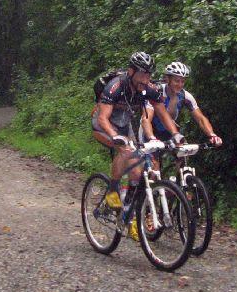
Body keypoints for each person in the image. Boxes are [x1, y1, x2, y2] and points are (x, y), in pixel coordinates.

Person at [92, 52, 183, 219]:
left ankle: (128, 207)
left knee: (137, 169)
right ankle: (112, 194)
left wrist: (175, 134)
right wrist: (114, 135)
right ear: (131, 71)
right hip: (103, 125)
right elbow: (103, 118)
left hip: (123, 125)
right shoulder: (116, 86)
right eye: (142, 73)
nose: (145, 79)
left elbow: (163, 114)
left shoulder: (148, 89)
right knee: (125, 149)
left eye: (148, 74)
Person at [140, 61, 223, 148]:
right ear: (168, 79)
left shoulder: (185, 96)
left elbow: (201, 118)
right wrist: (152, 138)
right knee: (153, 160)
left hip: (169, 131)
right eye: (177, 81)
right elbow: (146, 119)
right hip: (149, 131)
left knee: (184, 153)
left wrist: (212, 135)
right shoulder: (156, 93)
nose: (180, 85)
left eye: (182, 81)